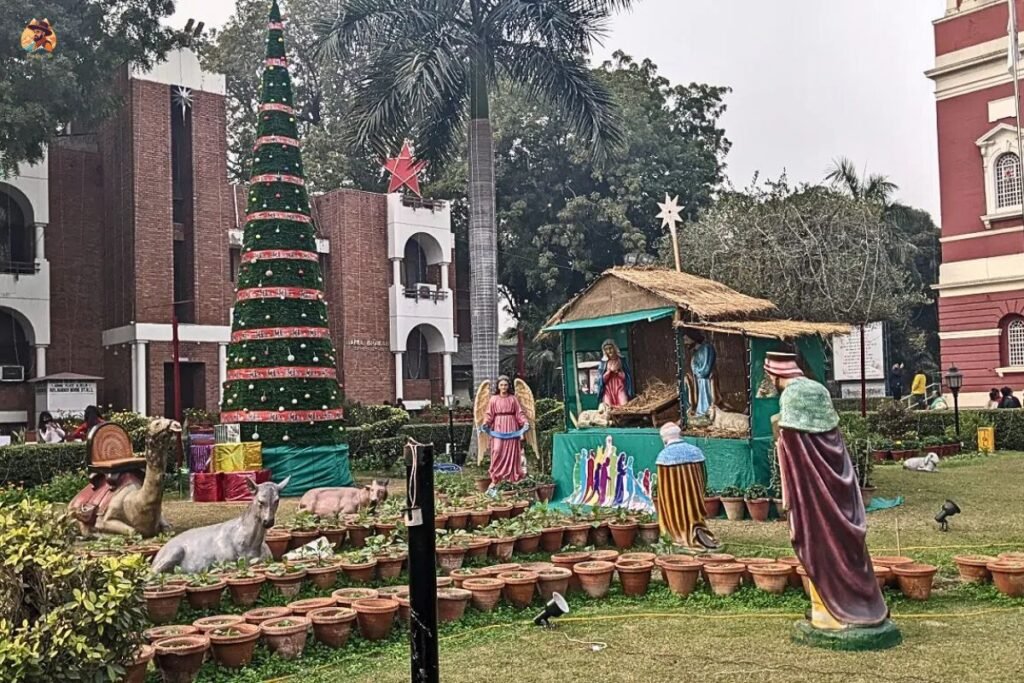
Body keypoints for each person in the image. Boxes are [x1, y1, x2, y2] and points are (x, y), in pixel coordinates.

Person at [766, 352, 892, 637]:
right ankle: (860, 606)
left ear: (774, 375)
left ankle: (831, 614)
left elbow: (795, 447)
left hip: (814, 494)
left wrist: (781, 442)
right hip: (839, 484)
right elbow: (826, 441)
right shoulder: (817, 389)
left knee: (820, 546)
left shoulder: (790, 398)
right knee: (846, 548)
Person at [655, 422, 718, 549]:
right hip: (694, 495)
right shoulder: (695, 451)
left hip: (675, 498)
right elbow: (703, 476)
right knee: (692, 509)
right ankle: (697, 528)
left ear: (665, 438)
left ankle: (680, 533)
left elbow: (664, 488)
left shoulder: (664, 456)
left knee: (676, 508)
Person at [482, 376, 529, 488]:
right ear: (498, 386)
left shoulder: (513, 399)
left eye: (506, 385)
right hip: (498, 427)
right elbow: (489, 414)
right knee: (497, 450)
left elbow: (519, 413)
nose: (504, 387)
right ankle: (496, 477)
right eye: (501, 385)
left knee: (512, 452)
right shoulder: (494, 399)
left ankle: (511, 478)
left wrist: (524, 422)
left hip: (512, 426)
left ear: (508, 386)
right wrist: (486, 423)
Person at [596, 339, 633, 408]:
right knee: (608, 407)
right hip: (608, 390)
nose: (609, 351)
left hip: (620, 388)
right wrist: (609, 371)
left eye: (610, 348)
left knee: (624, 405)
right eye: (606, 349)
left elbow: (626, 377)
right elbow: (601, 380)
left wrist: (618, 372)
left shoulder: (621, 360)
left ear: (614, 348)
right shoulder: (603, 363)